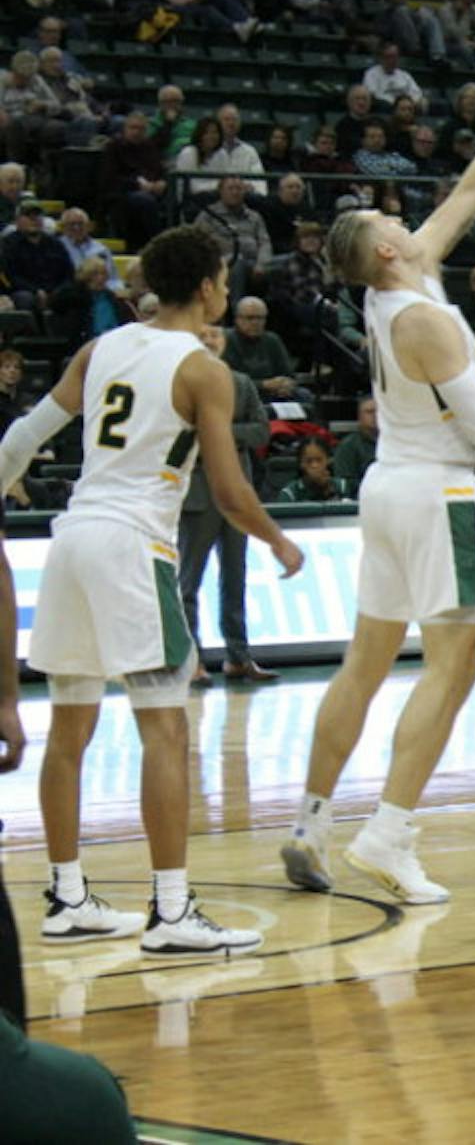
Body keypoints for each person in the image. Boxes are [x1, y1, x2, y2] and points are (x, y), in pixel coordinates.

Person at [281, 91, 475, 904]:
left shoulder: (399, 286)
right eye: (390, 225)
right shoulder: (424, 316)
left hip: (387, 490)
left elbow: (474, 187)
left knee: (365, 664)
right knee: (450, 670)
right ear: (384, 255)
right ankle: (390, 832)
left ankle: (310, 822)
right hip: (437, 494)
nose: (404, 222)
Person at [0, 226, 302, 955]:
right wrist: (279, 540)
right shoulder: (205, 371)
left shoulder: (102, 349)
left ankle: (67, 896)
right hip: (135, 544)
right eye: (224, 278)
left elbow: (20, 440)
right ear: (206, 287)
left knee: (70, 728)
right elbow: (229, 492)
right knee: (164, 726)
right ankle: (171, 912)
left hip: (70, 538)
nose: (227, 291)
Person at [179, 325, 277, 686]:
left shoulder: (241, 382)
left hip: (237, 493)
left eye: (215, 337)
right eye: (202, 336)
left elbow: (261, 431)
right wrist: (223, 435)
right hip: (198, 495)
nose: (209, 342)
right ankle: (191, 661)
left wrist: (219, 433)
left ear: (224, 342)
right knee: (188, 581)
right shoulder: (182, 381)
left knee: (235, 578)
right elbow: (184, 435)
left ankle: (238, 656)